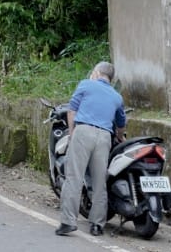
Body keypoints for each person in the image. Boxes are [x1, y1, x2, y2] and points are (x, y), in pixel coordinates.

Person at [55, 61, 126, 237]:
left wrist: (72, 133)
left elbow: (72, 110)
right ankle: (97, 225)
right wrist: (120, 137)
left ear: (97, 73)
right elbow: (121, 124)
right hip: (104, 137)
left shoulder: (86, 85)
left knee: (74, 177)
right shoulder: (117, 97)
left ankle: (68, 222)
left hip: (83, 131)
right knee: (100, 182)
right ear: (111, 78)